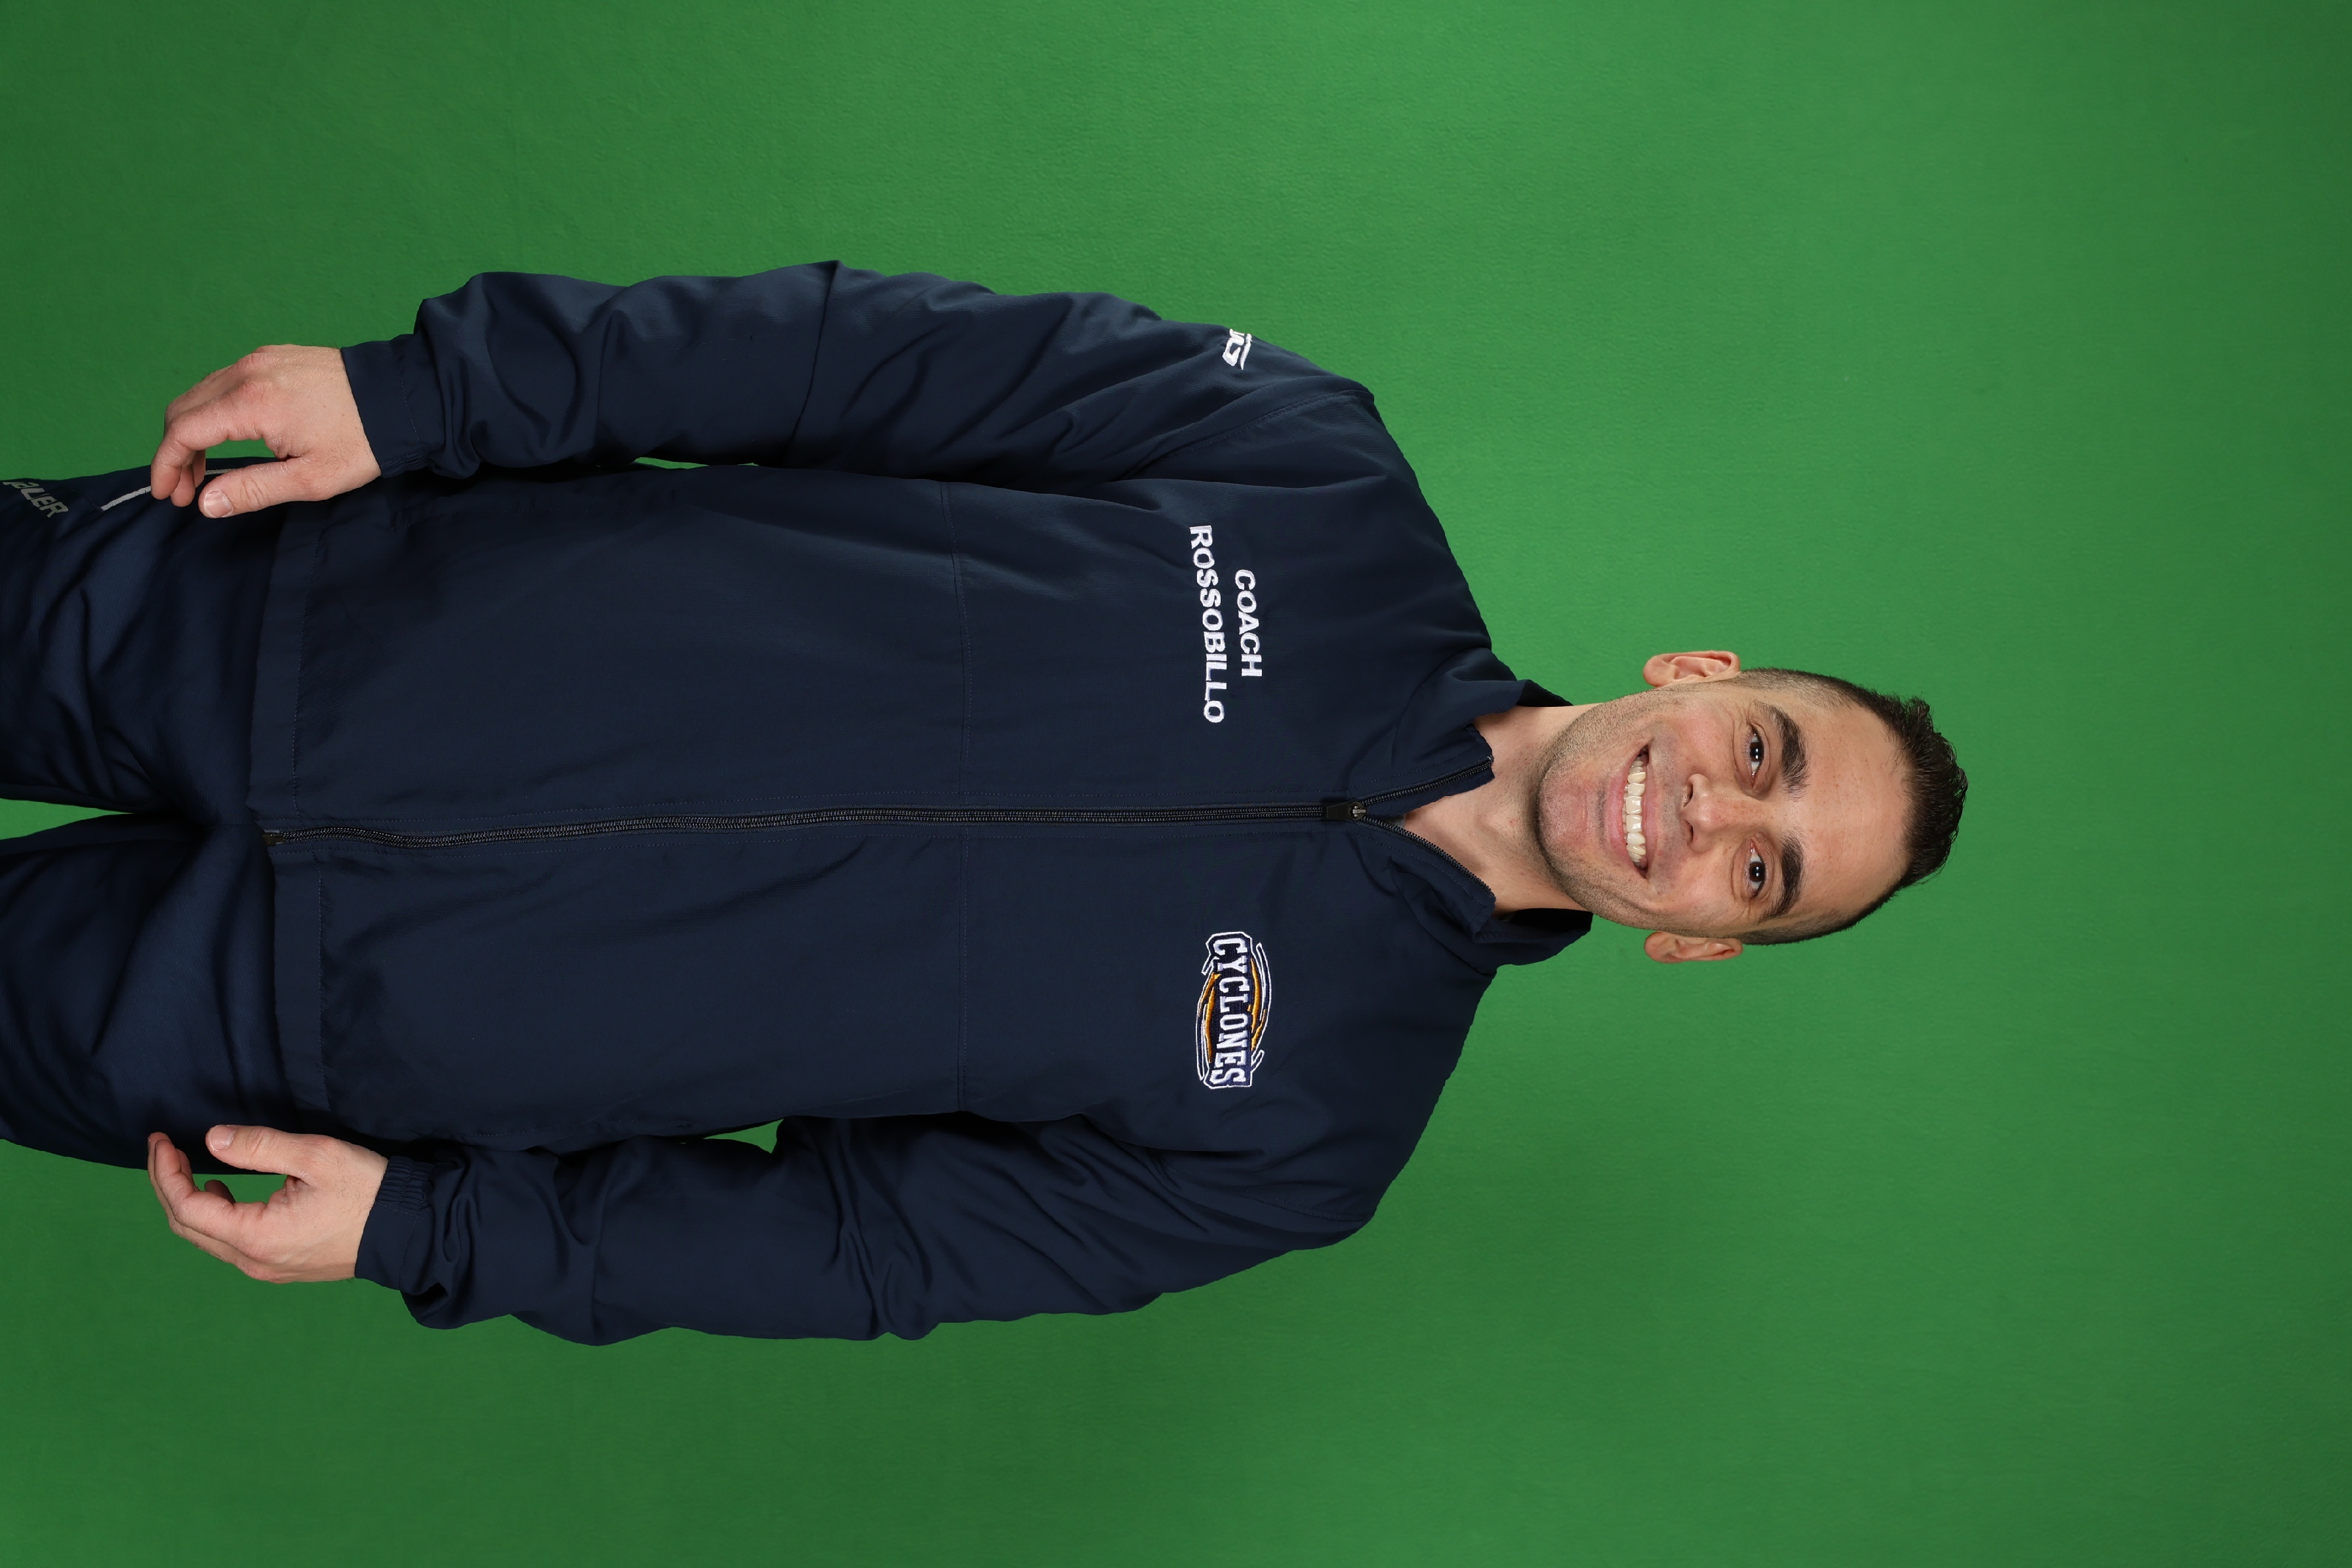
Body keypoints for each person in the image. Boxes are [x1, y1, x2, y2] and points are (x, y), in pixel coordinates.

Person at [0, 264, 1966, 1344]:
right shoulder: (1313, 472)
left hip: (311, 1028)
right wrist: (427, 397)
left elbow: (860, 1246)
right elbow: (849, 360)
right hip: (304, 609)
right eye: (1764, 754)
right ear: (1703, 674)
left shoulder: (1311, 1134)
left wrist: (434, 1231)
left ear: (1702, 942)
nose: (1710, 816)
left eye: (1763, 873)